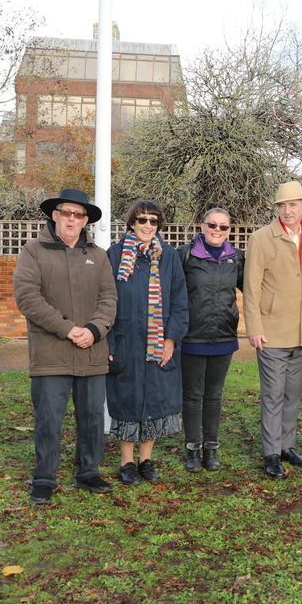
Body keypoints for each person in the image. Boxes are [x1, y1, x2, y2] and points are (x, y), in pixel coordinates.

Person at [13, 188, 117, 505]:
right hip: (50, 354)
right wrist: (68, 329)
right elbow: (28, 297)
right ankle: (44, 477)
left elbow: (109, 299)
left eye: (79, 214)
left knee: (92, 418)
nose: (72, 219)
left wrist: (94, 331)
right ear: (55, 215)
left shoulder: (98, 255)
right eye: (66, 213)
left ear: (85, 220)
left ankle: (88, 471)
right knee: (48, 419)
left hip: (92, 351)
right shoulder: (33, 251)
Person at [106, 201, 189, 485]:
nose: (147, 226)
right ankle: (126, 462)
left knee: (154, 397)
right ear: (131, 222)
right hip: (125, 339)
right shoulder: (115, 255)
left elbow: (180, 301)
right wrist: (109, 342)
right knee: (127, 399)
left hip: (158, 341)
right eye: (142, 220)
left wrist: (171, 337)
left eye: (153, 221)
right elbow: (104, 302)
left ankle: (146, 460)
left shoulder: (169, 257)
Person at [243, 181, 302, 479]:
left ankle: (287, 446)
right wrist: (255, 327)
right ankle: (271, 452)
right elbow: (251, 287)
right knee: (273, 394)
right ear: (277, 208)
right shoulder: (261, 238)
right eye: (283, 206)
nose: (288, 211)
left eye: (293, 205)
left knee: (293, 394)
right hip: (271, 331)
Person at [178, 207, 244, 473]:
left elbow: (253, 288)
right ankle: (192, 449)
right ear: (202, 226)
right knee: (192, 395)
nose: (217, 231)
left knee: (214, 395)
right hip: (192, 335)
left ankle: (211, 449)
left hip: (224, 336)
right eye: (212, 225)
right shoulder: (184, 255)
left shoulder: (236, 258)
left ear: (229, 230)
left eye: (223, 227)